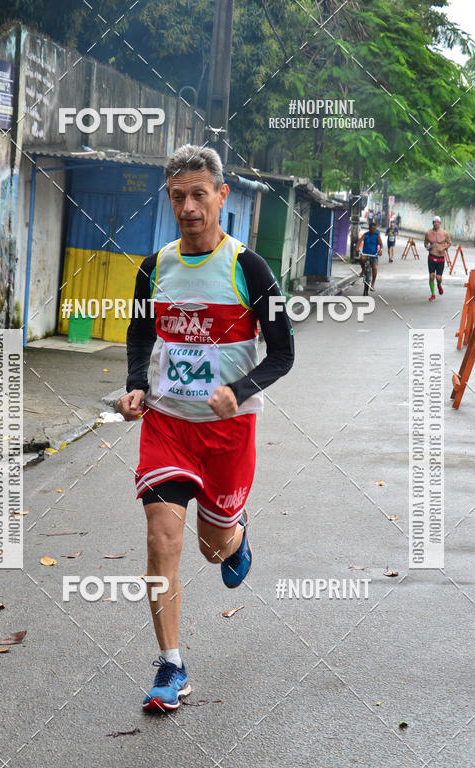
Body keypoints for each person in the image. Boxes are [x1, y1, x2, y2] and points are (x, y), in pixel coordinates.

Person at [118, 145, 294, 712]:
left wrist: (238, 390)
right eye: (178, 196)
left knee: (212, 550)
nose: (189, 207)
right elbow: (140, 333)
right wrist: (136, 385)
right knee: (160, 540)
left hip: (227, 434)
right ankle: (171, 665)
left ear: (222, 196)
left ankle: (235, 532)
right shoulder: (154, 267)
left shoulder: (249, 268)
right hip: (167, 426)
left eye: (199, 194)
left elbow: (283, 352)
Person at [424, 215, 451, 301]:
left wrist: (443, 248)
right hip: (431, 256)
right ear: (433, 223)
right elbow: (425, 243)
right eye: (434, 222)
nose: (436, 223)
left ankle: (439, 285)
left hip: (440, 257)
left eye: (437, 222)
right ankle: (433, 294)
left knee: (438, 277)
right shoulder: (428, 233)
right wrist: (427, 247)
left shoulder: (445, 233)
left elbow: (449, 243)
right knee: (432, 276)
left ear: (440, 223)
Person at [356, 220, 383, 289]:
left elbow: (381, 244)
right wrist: (357, 248)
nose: (373, 230)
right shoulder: (365, 235)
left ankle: (373, 284)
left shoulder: (377, 235)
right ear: (369, 228)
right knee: (362, 259)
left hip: (373, 255)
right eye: (372, 228)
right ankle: (363, 270)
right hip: (365, 253)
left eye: (374, 229)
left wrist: (380, 250)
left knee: (374, 268)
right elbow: (359, 242)